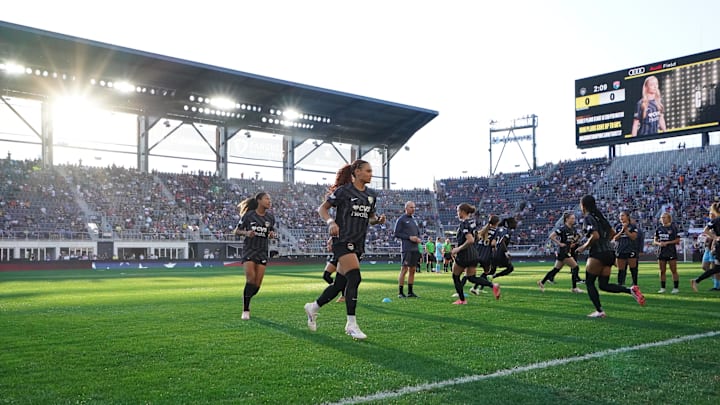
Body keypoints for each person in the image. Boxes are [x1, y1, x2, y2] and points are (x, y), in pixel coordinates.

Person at [304, 159, 386, 340]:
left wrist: (377, 220)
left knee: (339, 284)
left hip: (358, 242)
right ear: (356, 172)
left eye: (371, 171)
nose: (371, 174)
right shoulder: (344, 191)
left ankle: (313, 307)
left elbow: (370, 218)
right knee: (355, 277)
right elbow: (322, 209)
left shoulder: (371, 195)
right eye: (368, 171)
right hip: (342, 240)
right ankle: (351, 324)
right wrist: (331, 222)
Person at [575, 195, 645, 318]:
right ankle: (630, 290)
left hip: (598, 253)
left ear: (583, 205)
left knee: (590, 282)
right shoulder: (600, 217)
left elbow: (595, 236)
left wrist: (583, 247)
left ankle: (599, 311)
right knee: (603, 285)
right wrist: (605, 241)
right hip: (610, 253)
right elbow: (612, 233)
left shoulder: (588, 218)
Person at [233, 192, 276, 321]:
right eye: (267, 199)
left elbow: (271, 231)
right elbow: (236, 231)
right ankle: (246, 309)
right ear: (259, 200)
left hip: (262, 251)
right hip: (249, 250)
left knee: (256, 286)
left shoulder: (270, 217)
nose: (269, 201)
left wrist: (272, 234)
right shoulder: (249, 215)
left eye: (270, 199)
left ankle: (246, 297)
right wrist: (246, 233)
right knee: (250, 279)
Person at [450, 203, 500, 304]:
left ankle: (462, 300)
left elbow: (470, 240)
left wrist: (458, 249)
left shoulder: (464, 224)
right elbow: (476, 237)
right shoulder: (472, 222)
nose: (457, 213)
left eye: (458, 211)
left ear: (463, 212)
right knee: (471, 278)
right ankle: (493, 286)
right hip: (474, 254)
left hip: (465, 255)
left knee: (455, 276)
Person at [538, 212, 584, 293]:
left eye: (574, 218)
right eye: (572, 218)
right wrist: (559, 243)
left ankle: (542, 282)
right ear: (567, 219)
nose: (574, 220)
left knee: (555, 270)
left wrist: (574, 242)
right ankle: (574, 288)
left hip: (565, 251)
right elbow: (551, 236)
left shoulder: (572, 229)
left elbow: (572, 240)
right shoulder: (563, 228)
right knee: (575, 267)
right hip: (563, 252)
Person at [394, 201, 422, 298]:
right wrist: (409, 237)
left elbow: (417, 233)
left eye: (414, 207)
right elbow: (396, 233)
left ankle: (410, 292)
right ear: (406, 208)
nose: (413, 209)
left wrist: (418, 239)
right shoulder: (401, 219)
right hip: (407, 248)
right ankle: (400, 292)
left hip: (415, 248)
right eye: (411, 207)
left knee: (413, 269)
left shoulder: (414, 220)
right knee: (404, 269)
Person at [691, 203, 720, 292]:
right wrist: (715, 237)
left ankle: (696, 281)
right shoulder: (716, 220)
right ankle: (696, 281)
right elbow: (705, 230)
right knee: (716, 269)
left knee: (717, 269)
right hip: (719, 247)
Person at [654, 212, 681, 294]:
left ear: (669, 218)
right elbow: (655, 241)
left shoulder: (674, 228)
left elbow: (677, 240)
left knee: (673, 270)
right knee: (662, 271)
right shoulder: (658, 229)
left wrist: (668, 243)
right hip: (661, 252)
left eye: (664, 217)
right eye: (662, 217)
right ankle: (663, 288)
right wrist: (659, 243)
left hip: (671, 252)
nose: (663, 219)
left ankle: (676, 288)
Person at [612, 211, 639, 286]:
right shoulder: (617, 226)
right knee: (621, 269)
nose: (621, 217)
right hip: (620, 249)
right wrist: (622, 231)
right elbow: (615, 238)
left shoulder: (633, 226)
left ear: (627, 217)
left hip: (630, 249)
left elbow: (633, 237)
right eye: (620, 216)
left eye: (623, 215)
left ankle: (634, 284)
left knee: (633, 268)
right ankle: (620, 284)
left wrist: (626, 230)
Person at [321, 236, 345, 303]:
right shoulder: (333, 235)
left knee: (341, 277)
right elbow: (329, 248)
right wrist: (329, 243)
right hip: (335, 256)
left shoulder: (345, 233)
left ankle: (344, 295)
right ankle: (337, 288)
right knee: (326, 276)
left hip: (343, 256)